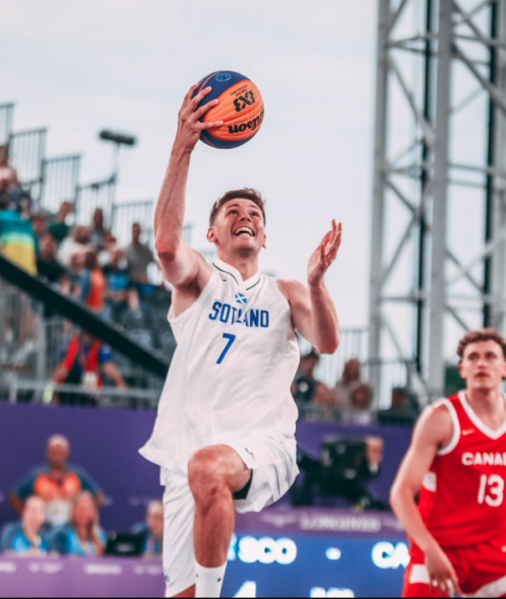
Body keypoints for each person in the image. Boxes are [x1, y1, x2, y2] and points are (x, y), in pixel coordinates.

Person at [138, 83, 342, 598]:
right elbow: (166, 245)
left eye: (254, 214)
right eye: (232, 211)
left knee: (211, 467)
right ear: (212, 234)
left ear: (265, 237)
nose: (244, 216)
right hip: (186, 450)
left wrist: (317, 282)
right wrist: (182, 146)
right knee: (182, 583)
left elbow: (328, 342)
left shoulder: (286, 292)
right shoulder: (199, 280)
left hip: (264, 444)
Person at [391, 328, 506, 597]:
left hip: (493, 554)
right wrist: (430, 550)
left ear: (504, 367)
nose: (481, 363)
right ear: (463, 369)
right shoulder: (441, 417)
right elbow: (401, 493)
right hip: (439, 548)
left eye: (490, 356)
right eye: (473, 357)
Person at [10, 435, 104, 528]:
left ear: (67, 454)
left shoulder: (77, 475)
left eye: (60, 452)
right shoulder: (38, 475)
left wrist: (85, 516)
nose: (57, 456)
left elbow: (98, 495)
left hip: (71, 527)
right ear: (48, 453)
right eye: (54, 452)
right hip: (44, 528)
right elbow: (15, 496)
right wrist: (29, 516)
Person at [55, 330, 127, 405]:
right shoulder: (71, 341)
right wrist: (56, 390)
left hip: (92, 383)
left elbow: (109, 366)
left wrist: (121, 384)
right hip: (73, 382)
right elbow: (63, 367)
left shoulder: (100, 343)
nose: (88, 336)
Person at [0, 196, 39, 274]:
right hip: (29, 275)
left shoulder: (0, 217)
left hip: (7, 272)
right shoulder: (28, 224)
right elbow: (37, 251)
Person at [49, 491, 106, 557]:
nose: (84, 513)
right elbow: (55, 556)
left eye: (89, 509)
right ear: (73, 510)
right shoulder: (61, 533)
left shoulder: (100, 535)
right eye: (81, 509)